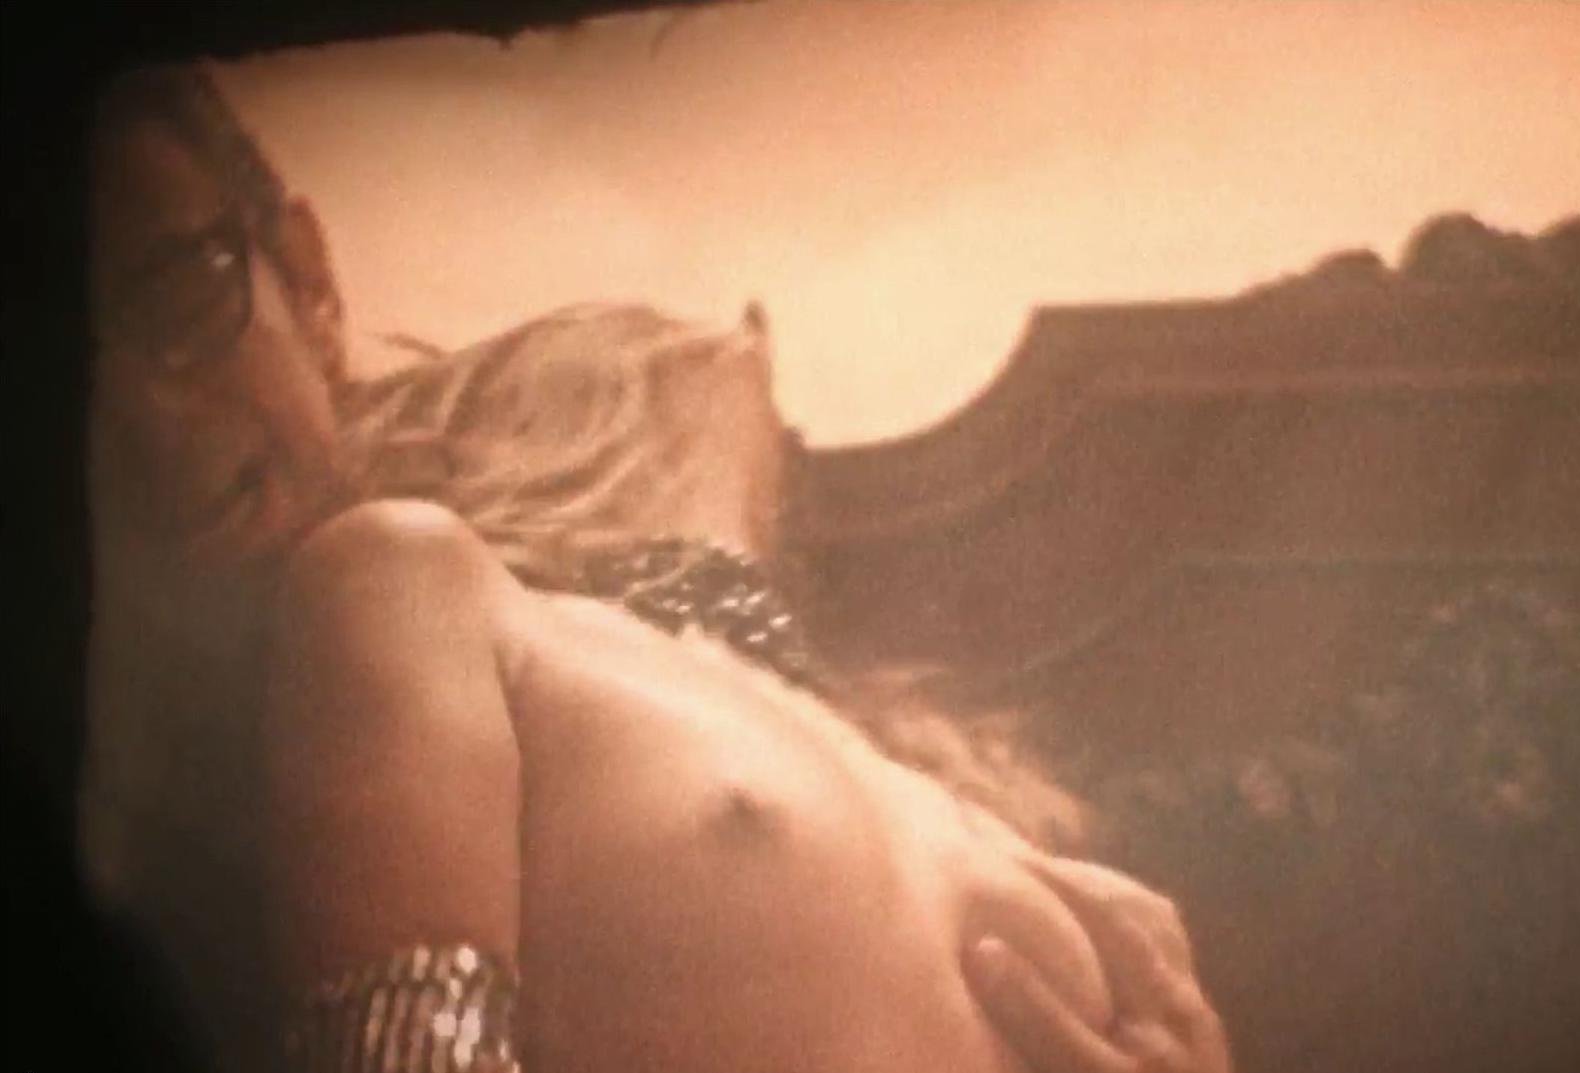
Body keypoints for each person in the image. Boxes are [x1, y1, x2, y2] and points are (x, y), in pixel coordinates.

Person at [84, 63, 1232, 1073]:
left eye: (176, 298)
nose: (140, 420)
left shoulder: (620, 632)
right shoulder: (372, 593)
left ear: (306, 278)